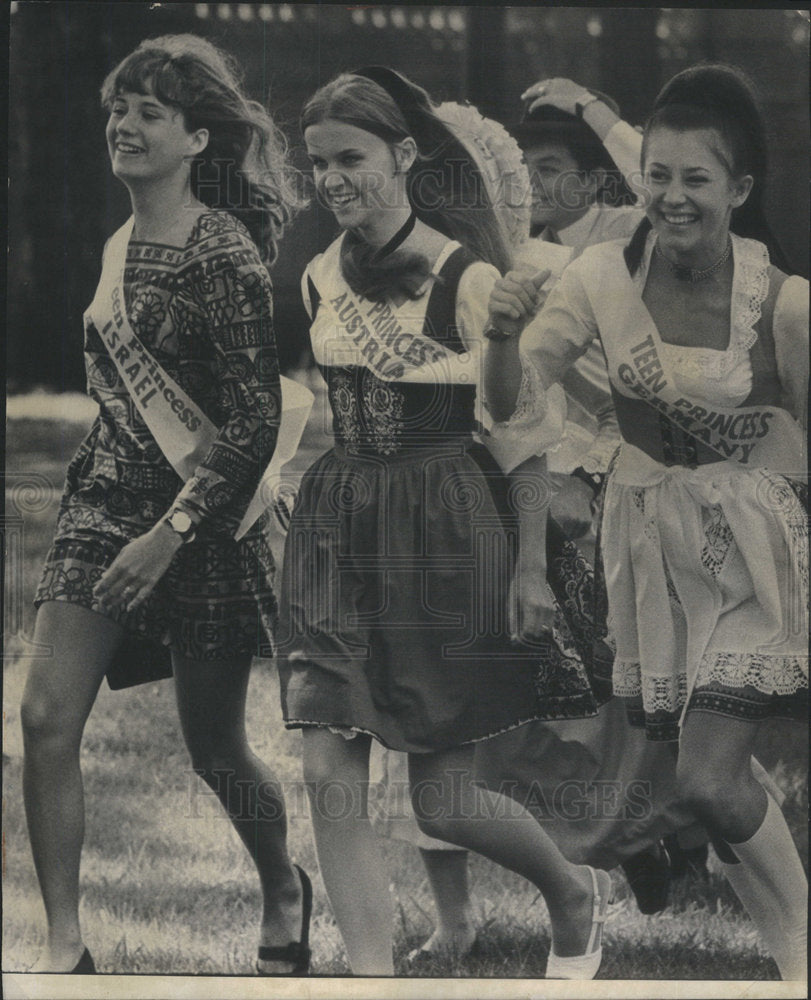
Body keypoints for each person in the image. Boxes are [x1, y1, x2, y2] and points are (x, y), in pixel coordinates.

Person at [276, 66, 613, 979]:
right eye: (319, 164)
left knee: (445, 799)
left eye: (352, 158)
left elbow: (520, 432)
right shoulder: (316, 275)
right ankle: (370, 977)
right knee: (323, 765)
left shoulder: (467, 277)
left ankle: (571, 891)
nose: (334, 178)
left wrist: (531, 567)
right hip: (340, 524)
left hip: (443, 528)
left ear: (405, 156)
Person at [486, 63, 808, 981]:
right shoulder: (598, 277)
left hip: (757, 554)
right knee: (708, 794)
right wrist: (503, 339)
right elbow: (512, 405)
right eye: (656, 176)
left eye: (695, 179)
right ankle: (796, 969)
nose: (670, 197)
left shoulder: (784, 305)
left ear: (738, 190)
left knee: (707, 779)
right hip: (656, 557)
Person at [21, 35, 311, 976]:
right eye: (120, 108)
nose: (126, 124)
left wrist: (173, 531)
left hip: (202, 522)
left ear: (196, 138)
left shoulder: (217, 249)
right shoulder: (119, 242)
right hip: (104, 501)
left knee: (215, 748)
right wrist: (126, 522)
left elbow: (255, 419)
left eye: (151, 111)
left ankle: (282, 886)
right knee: (43, 716)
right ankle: (64, 948)